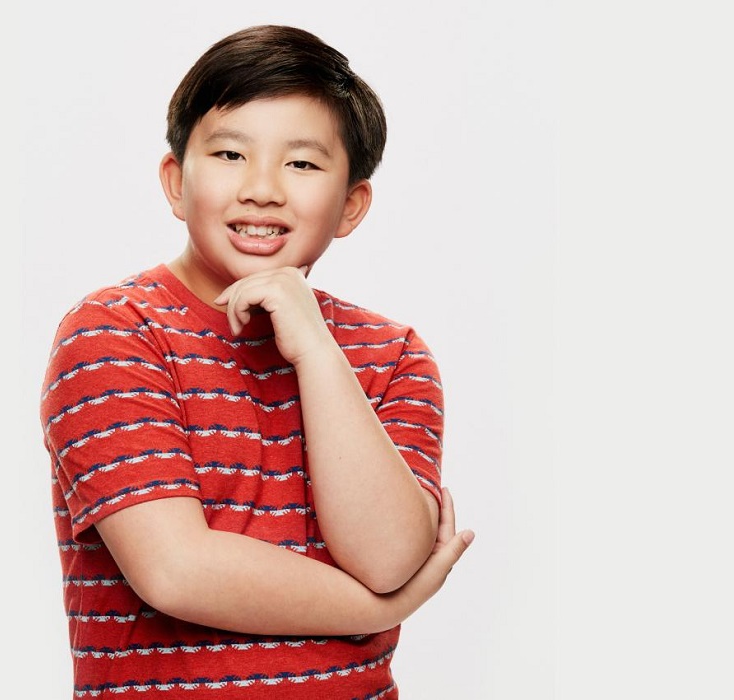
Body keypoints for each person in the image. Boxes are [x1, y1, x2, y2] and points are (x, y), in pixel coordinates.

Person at [39, 24, 474, 699]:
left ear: (351, 204)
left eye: (302, 164)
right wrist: (377, 610)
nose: (263, 189)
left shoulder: (393, 356)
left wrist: (316, 350)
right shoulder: (114, 332)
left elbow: (388, 558)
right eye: (230, 154)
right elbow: (177, 571)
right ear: (176, 182)